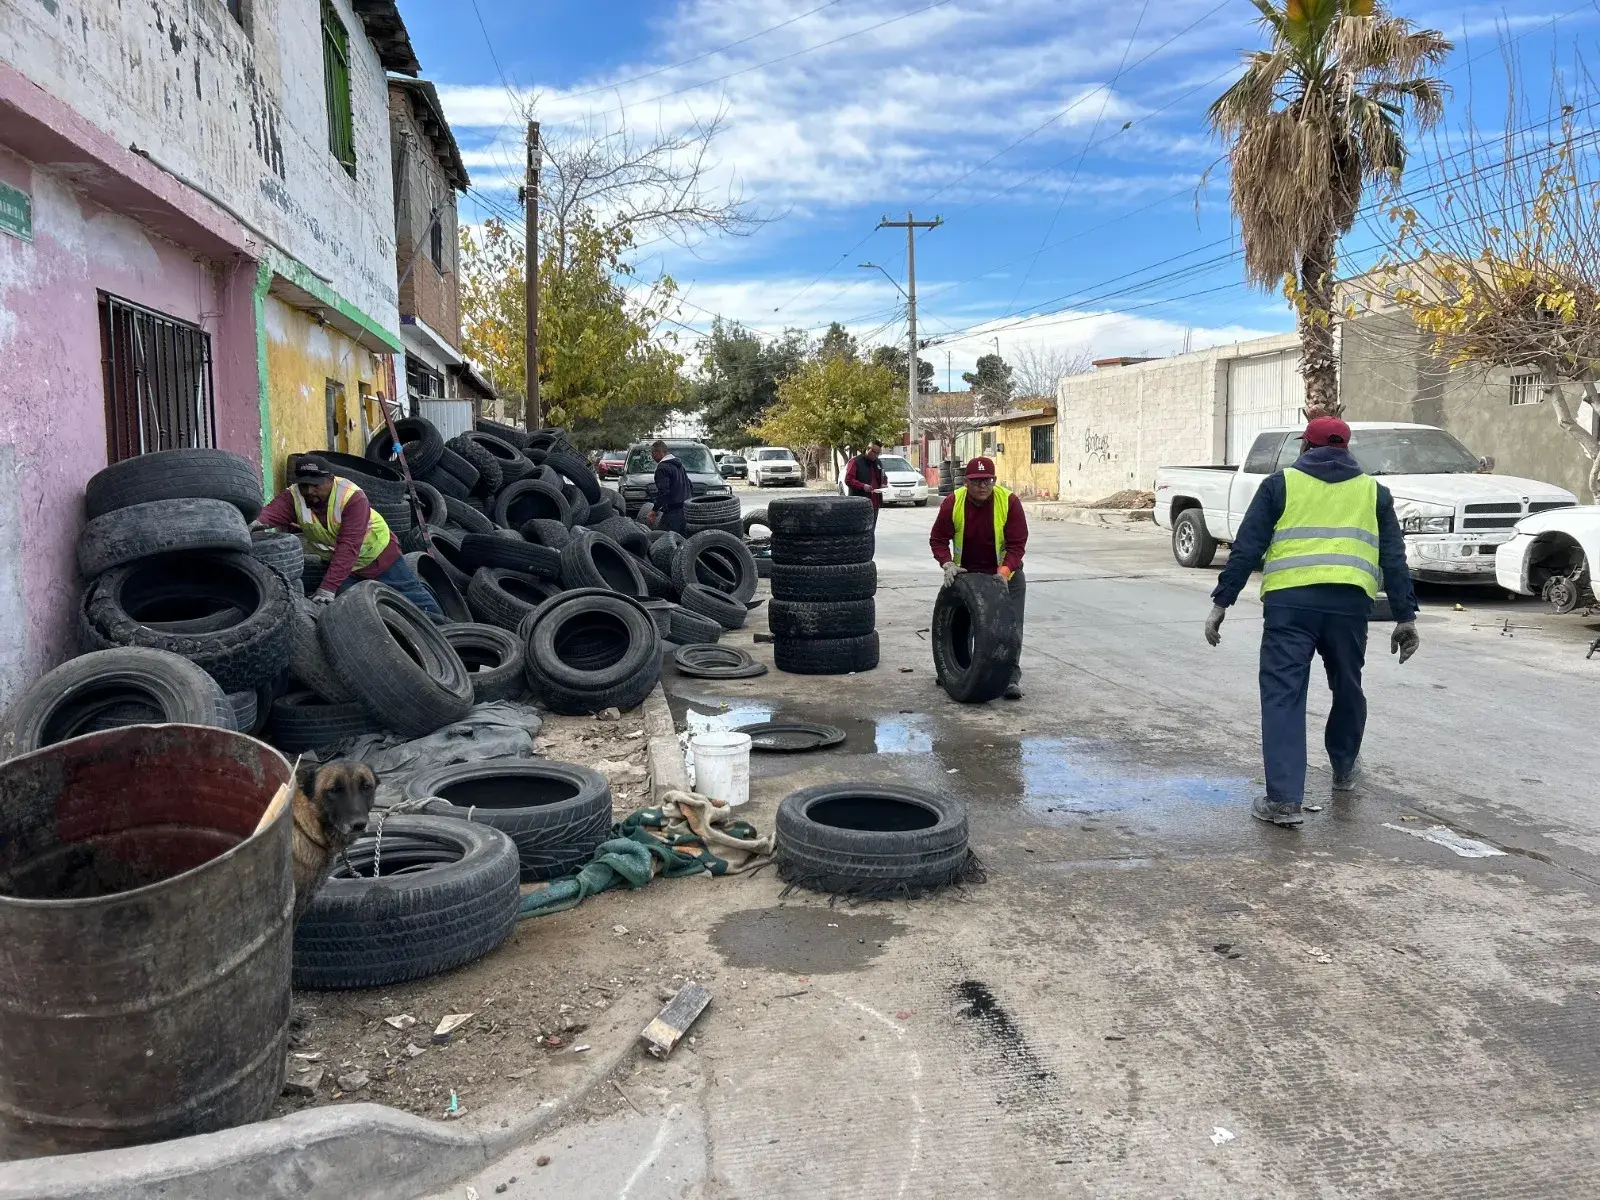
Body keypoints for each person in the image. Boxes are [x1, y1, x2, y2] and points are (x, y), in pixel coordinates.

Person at [1205, 416, 1420, 827]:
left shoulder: (1280, 485)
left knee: (1283, 695)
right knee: (1347, 686)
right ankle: (1344, 768)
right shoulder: (1374, 492)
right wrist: (1405, 617)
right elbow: (1393, 558)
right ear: (1347, 449)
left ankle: (1284, 801)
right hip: (1350, 606)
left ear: (1304, 447)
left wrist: (1222, 602)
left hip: (1290, 606)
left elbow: (1247, 547)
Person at [257, 458, 442, 616]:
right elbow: (269, 514)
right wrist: (248, 523)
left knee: (415, 600)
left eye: (316, 485)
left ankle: (446, 631)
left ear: (330, 480)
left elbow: (349, 546)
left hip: (379, 556)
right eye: (304, 485)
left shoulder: (352, 497)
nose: (309, 491)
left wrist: (328, 588)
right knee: (352, 611)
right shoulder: (294, 496)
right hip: (346, 568)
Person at [929, 456, 1028, 699]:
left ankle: (1009, 678)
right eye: (976, 481)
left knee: (1010, 627)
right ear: (966, 482)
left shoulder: (1009, 502)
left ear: (994, 480)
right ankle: (956, 673)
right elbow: (938, 539)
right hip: (967, 576)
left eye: (988, 480)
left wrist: (1004, 572)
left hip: (1005, 575)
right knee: (962, 625)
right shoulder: (953, 503)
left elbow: (1017, 544)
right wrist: (947, 563)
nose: (983, 486)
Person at [647, 440, 692, 535]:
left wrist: (654, 510)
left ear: (657, 453)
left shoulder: (662, 468)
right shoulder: (679, 465)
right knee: (682, 539)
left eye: (653, 453)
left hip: (672, 512)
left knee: (663, 539)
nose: (653, 457)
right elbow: (689, 484)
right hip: (686, 511)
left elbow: (663, 492)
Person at [844, 440, 888, 524]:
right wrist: (863, 486)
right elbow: (848, 480)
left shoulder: (878, 462)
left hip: (874, 504)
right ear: (868, 449)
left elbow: (883, 476)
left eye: (878, 453)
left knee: (871, 528)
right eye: (875, 453)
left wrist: (883, 483)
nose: (877, 456)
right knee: (860, 528)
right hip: (860, 504)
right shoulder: (855, 462)